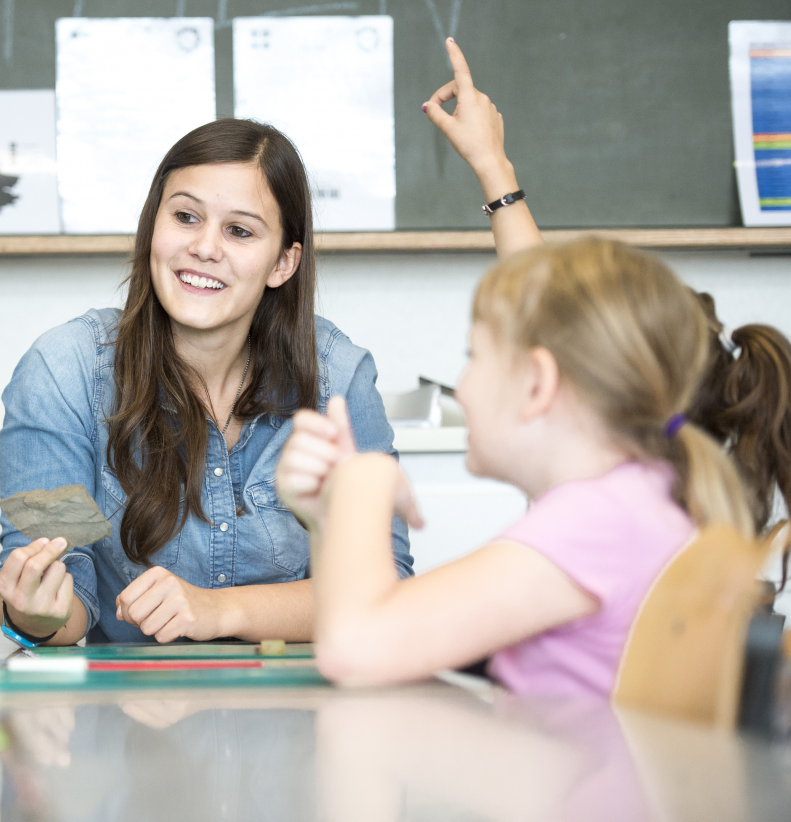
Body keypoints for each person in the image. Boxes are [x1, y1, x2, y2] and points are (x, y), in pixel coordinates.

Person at [277, 39, 758, 696]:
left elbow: (355, 649)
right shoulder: (634, 497)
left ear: (539, 384)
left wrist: (364, 481)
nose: (461, 386)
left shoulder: (597, 522)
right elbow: (363, 644)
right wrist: (331, 519)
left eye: (475, 359)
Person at [0, 119, 413, 646]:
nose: (204, 247)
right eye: (185, 217)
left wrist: (220, 610)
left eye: (239, 231)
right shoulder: (62, 371)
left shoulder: (340, 379)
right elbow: (64, 596)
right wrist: (37, 613)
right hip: (132, 719)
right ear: (154, 227)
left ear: (283, 262)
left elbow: (385, 585)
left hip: (301, 714)